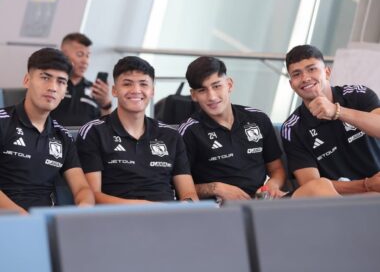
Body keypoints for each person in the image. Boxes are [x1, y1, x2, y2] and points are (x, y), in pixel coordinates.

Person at [179, 56, 339, 203]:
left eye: (216, 86)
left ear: (229, 85)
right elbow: (181, 189)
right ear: (194, 95)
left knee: (320, 186)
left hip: (262, 201)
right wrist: (218, 188)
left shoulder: (257, 118)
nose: (212, 96)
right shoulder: (188, 131)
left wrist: (272, 186)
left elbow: (276, 169)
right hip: (222, 208)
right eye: (202, 91)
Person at [76, 56, 199, 204]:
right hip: (119, 220)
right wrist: (142, 207)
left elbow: (188, 192)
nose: (136, 90)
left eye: (143, 84)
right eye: (127, 84)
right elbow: (92, 196)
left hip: (168, 218)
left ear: (152, 91)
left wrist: (186, 205)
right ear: (114, 90)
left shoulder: (170, 135)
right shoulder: (94, 132)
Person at [0, 48, 95, 214]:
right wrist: (24, 217)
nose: (52, 87)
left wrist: (83, 207)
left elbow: (81, 188)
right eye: (45, 78)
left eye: (61, 81)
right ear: (27, 80)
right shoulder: (3, 122)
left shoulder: (62, 136)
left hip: (47, 224)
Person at [281, 44, 380, 194]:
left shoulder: (358, 94)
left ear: (327, 72)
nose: (305, 78)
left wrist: (337, 111)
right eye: (296, 74)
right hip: (345, 199)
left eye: (312, 69)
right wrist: (366, 185)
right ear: (291, 84)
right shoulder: (292, 128)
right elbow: (311, 185)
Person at [50, 32, 112, 126]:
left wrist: (106, 104)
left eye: (87, 56)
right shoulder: (51, 84)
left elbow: (108, 128)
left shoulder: (95, 90)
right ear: (63, 54)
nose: (85, 61)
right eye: (80, 54)